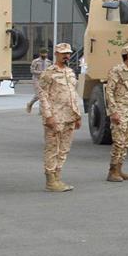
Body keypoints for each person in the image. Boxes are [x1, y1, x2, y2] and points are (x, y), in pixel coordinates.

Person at [37, 43, 84, 193]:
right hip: (55, 117)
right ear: (56, 54)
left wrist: (77, 115)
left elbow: (73, 95)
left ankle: (57, 177)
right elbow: (42, 95)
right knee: (52, 148)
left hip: (69, 116)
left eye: (68, 53)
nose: (66, 56)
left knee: (64, 149)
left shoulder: (70, 72)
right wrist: (48, 116)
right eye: (63, 53)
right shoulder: (49, 73)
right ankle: (50, 180)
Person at [105, 44, 128, 183]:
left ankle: (119, 169)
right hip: (120, 112)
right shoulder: (116, 70)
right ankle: (112, 171)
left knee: (126, 142)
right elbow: (109, 92)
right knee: (119, 142)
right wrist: (113, 112)